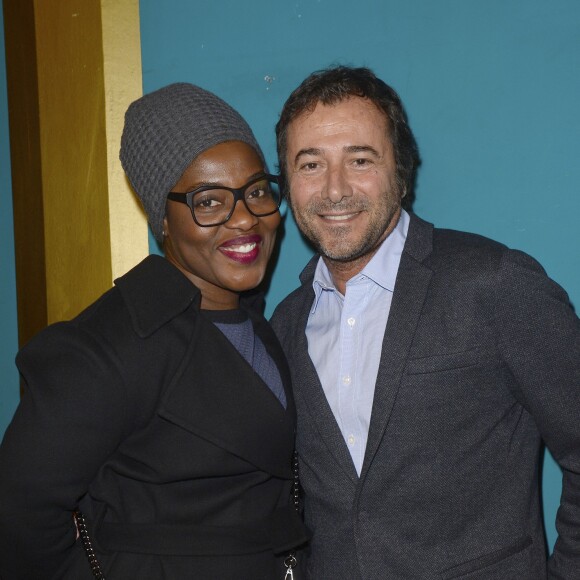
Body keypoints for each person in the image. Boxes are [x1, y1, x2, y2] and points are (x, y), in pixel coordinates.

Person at [270, 65, 580, 579]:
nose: (335, 189)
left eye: (360, 159)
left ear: (402, 170)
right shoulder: (285, 324)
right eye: (310, 165)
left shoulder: (493, 282)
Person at [0, 83, 308, 579]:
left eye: (255, 191)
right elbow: (16, 513)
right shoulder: (107, 346)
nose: (246, 219)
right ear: (163, 219)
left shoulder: (256, 319)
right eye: (209, 202)